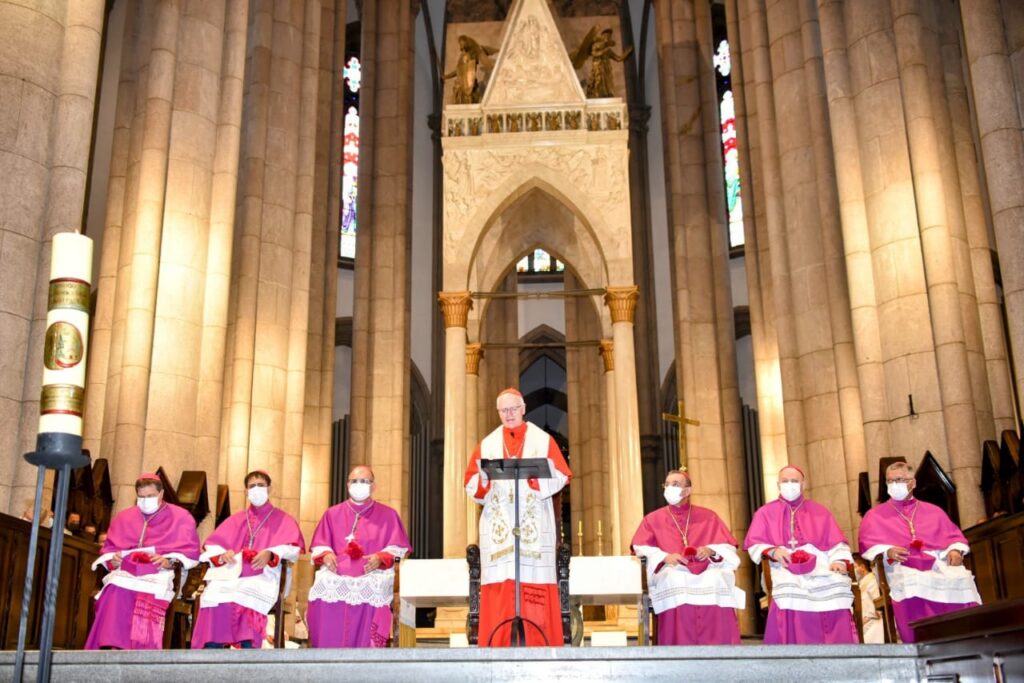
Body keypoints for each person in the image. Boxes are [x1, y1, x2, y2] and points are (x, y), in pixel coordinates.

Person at [464, 388, 572, 647]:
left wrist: (537, 483)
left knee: (533, 587)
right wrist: (485, 484)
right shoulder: (487, 444)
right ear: (498, 412)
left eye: (513, 408)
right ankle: (498, 646)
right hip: (500, 536)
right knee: (502, 589)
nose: (509, 414)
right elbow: (470, 484)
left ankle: (539, 645)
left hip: (534, 533)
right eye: (503, 410)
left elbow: (563, 475)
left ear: (524, 408)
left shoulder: (543, 440)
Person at [858, 462, 981, 643]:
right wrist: (887, 550)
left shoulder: (934, 511)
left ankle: (963, 638)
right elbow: (867, 544)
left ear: (913, 483)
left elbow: (954, 536)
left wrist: (955, 549)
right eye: (889, 481)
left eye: (899, 480)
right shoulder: (875, 515)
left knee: (961, 577)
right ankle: (922, 641)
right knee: (912, 582)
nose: (893, 485)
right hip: (900, 566)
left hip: (936, 564)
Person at [190, 470, 305, 649]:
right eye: (252, 486)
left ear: (270, 489)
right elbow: (211, 545)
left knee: (245, 592)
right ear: (246, 492)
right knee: (214, 594)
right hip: (234, 574)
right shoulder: (236, 519)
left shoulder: (283, 519)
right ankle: (212, 650)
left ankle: (248, 647)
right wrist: (223, 554)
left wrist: (270, 552)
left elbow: (294, 549)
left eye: (261, 485)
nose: (256, 489)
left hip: (264, 575)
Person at [84, 473, 200, 649]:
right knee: (115, 585)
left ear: (161, 494)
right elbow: (109, 550)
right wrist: (113, 560)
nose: (145, 500)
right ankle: (111, 643)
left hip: (161, 573)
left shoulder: (180, 517)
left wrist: (168, 560)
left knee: (148, 591)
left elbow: (190, 553)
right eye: (141, 497)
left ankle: (142, 646)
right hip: (127, 571)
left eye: (150, 496)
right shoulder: (124, 517)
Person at [744, 465, 857, 644]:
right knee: (790, 588)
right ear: (778, 484)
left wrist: (839, 561)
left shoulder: (820, 511)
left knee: (836, 585)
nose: (790, 485)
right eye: (785, 481)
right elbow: (755, 544)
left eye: (795, 481)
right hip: (784, 565)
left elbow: (837, 543)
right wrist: (773, 550)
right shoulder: (764, 513)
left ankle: (836, 647)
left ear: (803, 484)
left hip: (821, 565)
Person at [631, 469, 745, 645]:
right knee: (675, 579)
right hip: (672, 569)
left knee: (717, 579)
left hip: (705, 569)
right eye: (667, 484)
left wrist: (710, 550)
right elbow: (640, 547)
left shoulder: (708, 516)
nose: (669, 488)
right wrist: (664, 556)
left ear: (687, 491)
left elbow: (728, 547)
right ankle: (679, 645)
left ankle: (719, 647)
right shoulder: (652, 519)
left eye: (675, 484)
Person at [306, 465, 411, 648]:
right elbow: (320, 544)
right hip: (337, 572)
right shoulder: (332, 513)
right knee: (322, 588)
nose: (359, 485)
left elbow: (398, 548)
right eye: (355, 481)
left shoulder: (388, 515)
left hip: (372, 573)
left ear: (373, 486)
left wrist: (380, 557)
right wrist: (327, 554)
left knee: (375, 590)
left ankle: (367, 652)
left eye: (365, 481)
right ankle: (325, 651)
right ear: (347, 485)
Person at [853, 556, 884, 644]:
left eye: (855, 567)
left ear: (862, 567)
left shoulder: (872, 580)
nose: (853, 570)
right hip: (863, 624)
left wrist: (868, 618)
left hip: (873, 623)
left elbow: (878, 603)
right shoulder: (860, 584)